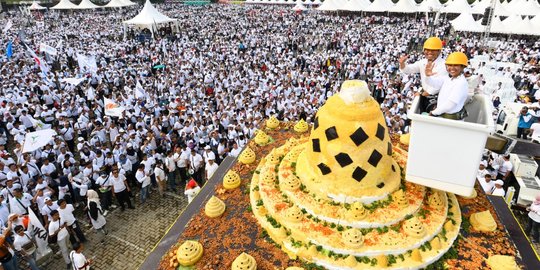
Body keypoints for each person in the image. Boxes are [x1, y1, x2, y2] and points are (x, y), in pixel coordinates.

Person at [399, 37, 447, 112]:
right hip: (425, 95)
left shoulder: (443, 65)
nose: (429, 52)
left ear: (439, 51)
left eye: (433, 50)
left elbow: (437, 88)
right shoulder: (423, 62)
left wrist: (421, 94)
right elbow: (408, 69)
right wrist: (402, 64)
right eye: (427, 50)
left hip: (437, 98)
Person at [426, 52, 469, 120]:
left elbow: (451, 104)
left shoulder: (461, 83)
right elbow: (434, 83)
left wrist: (434, 113)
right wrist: (428, 76)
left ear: (462, 67)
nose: (452, 68)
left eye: (455, 65)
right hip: (443, 117)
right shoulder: (448, 78)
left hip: (450, 121)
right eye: (449, 65)